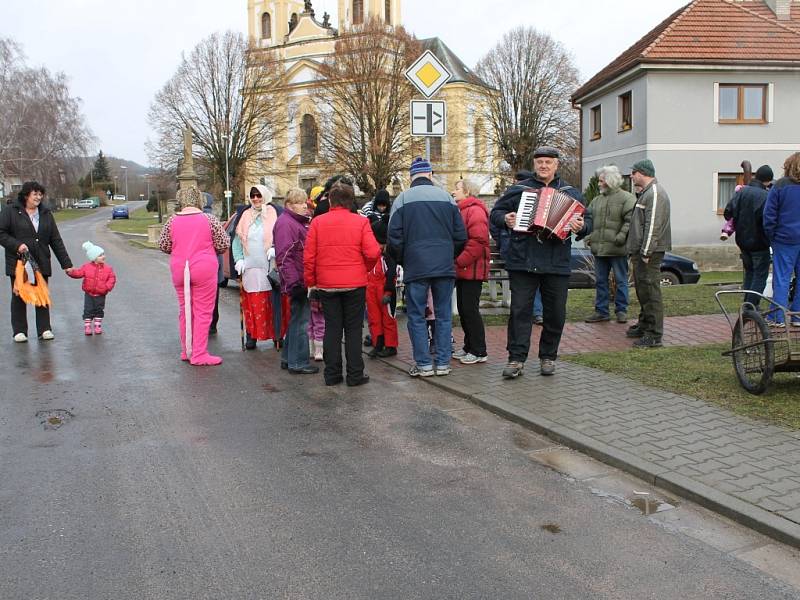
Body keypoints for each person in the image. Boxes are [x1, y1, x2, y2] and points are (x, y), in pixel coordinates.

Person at [489, 147, 585, 378]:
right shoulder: (519, 190)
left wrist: (582, 226)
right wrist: (506, 219)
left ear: (556, 165)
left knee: (555, 313)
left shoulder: (570, 192)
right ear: (534, 164)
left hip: (557, 261)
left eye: (548, 162)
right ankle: (516, 359)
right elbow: (496, 213)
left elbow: (586, 219)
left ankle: (548, 356)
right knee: (520, 311)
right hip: (523, 260)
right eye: (540, 162)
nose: (544, 166)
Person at [388, 157, 467, 378]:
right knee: (443, 315)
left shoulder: (402, 199)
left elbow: (394, 238)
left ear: (411, 177)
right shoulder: (447, 199)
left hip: (416, 267)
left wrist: (406, 259)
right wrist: (448, 255)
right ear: (430, 175)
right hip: (443, 266)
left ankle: (423, 364)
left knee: (416, 316)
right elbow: (461, 236)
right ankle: (442, 363)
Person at [304, 181, 381, 386]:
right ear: (350, 201)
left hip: (327, 284)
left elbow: (309, 257)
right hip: (355, 282)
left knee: (332, 328)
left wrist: (312, 282)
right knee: (354, 329)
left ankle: (332, 374)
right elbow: (374, 252)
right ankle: (355, 375)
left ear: (330, 200)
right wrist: (363, 267)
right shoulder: (361, 222)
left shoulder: (318, 223)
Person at [158, 186, 230, 365]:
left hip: (180, 267)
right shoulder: (209, 219)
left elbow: (163, 245)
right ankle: (199, 354)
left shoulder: (171, 220)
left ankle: (186, 350)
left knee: (185, 310)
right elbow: (223, 243)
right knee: (203, 311)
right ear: (199, 200)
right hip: (204, 268)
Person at [0, 181, 73, 343]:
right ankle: (19, 331)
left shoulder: (46, 213)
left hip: (40, 261)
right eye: (35, 194)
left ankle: (44, 329)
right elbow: (1, 233)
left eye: (41, 194)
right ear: (26, 195)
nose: (38, 197)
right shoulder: (10, 211)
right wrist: (17, 245)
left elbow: (55, 239)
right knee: (19, 296)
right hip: (20, 263)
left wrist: (66, 264)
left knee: (42, 293)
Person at [233, 185, 286, 350]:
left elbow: (283, 234)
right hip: (250, 268)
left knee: (273, 303)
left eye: (258, 195)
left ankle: (277, 335)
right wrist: (239, 259)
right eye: (252, 195)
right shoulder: (245, 215)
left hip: (270, 266)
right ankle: (252, 336)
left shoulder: (274, 213)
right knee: (252, 303)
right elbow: (237, 240)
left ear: (265, 196)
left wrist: (276, 247)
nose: (255, 198)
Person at [580, 165, 636, 324]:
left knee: (621, 280)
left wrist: (620, 237)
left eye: (601, 181)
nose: (598, 183)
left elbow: (630, 220)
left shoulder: (627, 198)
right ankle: (601, 311)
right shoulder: (597, 200)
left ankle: (621, 311)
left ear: (609, 181)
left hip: (618, 249)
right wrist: (589, 237)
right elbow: (588, 220)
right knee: (600, 281)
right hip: (599, 249)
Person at [626, 159, 672, 348]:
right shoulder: (645, 193)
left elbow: (653, 225)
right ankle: (645, 324)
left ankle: (654, 334)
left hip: (649, 253)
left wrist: (646, 251)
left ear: (643, 173)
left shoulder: (654, 193)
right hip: (641, 251)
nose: (631, 176)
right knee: (642, 290)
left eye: (634, 172)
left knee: (651, 291)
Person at [273, 188, 318, 375]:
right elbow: (285, 256)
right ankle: (298, 361)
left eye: (304, 203)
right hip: (297, 279)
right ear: (289, 205)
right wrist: (294, 283)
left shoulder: (292, 222)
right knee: (301, 321)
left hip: (298, 278)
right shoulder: (287, 224)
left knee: (296, 318)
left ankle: (288, 358)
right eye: (300, 203)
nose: (304, 207)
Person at [452, 178, 490, 364]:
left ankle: (479, 350)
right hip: (464, 269)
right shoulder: (463, 210)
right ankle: (469, 346)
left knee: (470, 310)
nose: (453, 192)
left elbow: (479, 240)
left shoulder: (475, 210)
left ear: (467, 192)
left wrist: (459, 261)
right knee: (463, 309)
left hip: (472, 269)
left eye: (457, 188)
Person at [724, 166, 773, 308]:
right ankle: (750, 307)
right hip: (759, 242)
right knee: (760, 276)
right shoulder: (765, 196)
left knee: (750, 273)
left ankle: (747, 305)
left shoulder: (741, 192)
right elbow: (767, 220)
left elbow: (728, 212)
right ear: (768, 181)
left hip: (742, 241)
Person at [763, 152, 800, 327]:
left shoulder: (779, 186)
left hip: (784, 239)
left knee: (782, 279)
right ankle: (798, 317)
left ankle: (777, 317)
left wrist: (772, 235)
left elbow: (769, 215)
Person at [366, 190, 399, 358]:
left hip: (384, 292)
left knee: (387, 318)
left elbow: (392, 275)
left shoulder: (388, 257)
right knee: (374, 318)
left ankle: (391, 345)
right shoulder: (372, 255)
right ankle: (377, 343)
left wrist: (388, 292)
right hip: (371, 290)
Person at [67, 241, 117, 335]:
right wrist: (71, 272)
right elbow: (79, 273)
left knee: (99, 310)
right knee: (88, 310)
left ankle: (97, 326)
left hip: (100, 294)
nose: (103, 256)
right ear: (94, 258)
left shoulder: (108, 269)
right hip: (89, 294)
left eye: (103, 254)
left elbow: (112, 278)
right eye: (100, 255)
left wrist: (107, 287)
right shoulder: (86, 267)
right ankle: (87, 327)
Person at [202, 192, 224, 334]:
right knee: (213, 297)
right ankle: (213, 323)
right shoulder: (214, 219)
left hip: (200, 264)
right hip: (215, 262)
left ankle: (203, 323)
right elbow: (222, 243)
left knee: (200, 297)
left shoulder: (199, 218)